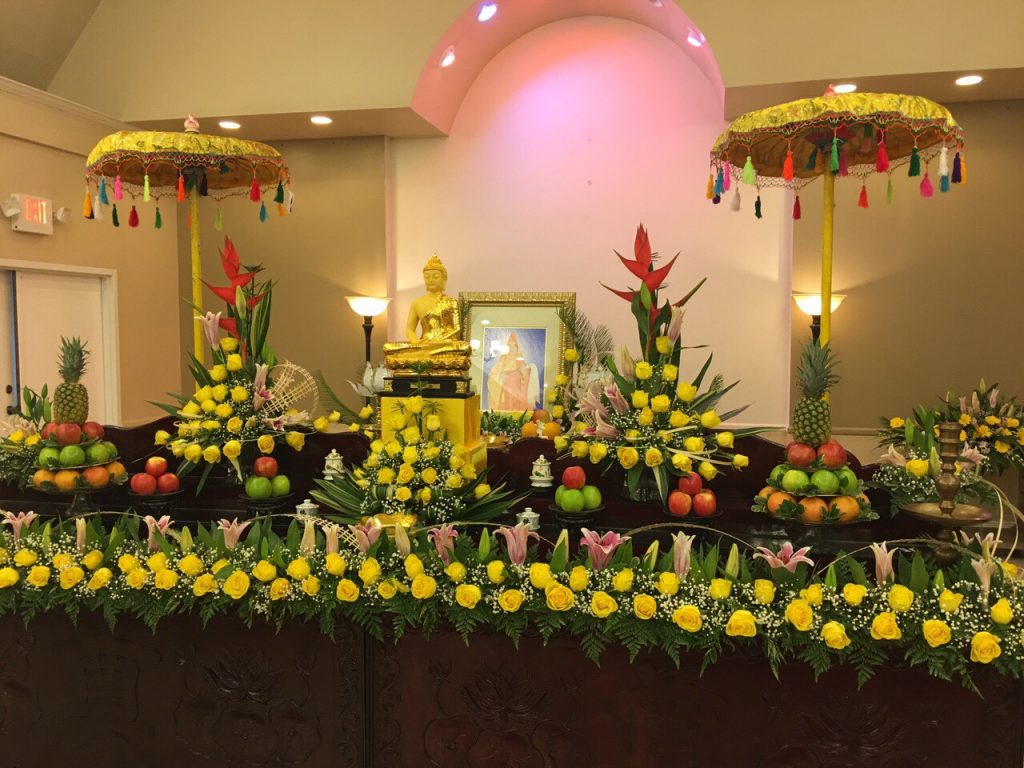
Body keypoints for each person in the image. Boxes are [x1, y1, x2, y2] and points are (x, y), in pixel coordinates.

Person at [383, 254, 470, 375]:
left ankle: (422, 357)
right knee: (388, 347)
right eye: (427, 277)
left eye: (435, 276)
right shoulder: (417, 302)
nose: (431, 280)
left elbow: (456, 330)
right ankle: (424, 356)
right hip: (422, 344)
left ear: (444, 279)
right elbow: (409, 329)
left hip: (442, 345)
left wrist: (436, 342)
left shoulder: (451, 302)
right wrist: (416, 342)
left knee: (463, 347)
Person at [487, 332, 539, 411]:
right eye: (509, 345)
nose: (511, 348)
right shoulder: (499, 364)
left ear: (518, 348)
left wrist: (527, 372)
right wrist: (500, 377)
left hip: (518, 401)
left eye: (514, 345)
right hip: (504, 399)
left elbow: (527, 386)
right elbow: (493, 381)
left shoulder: (522, 364)